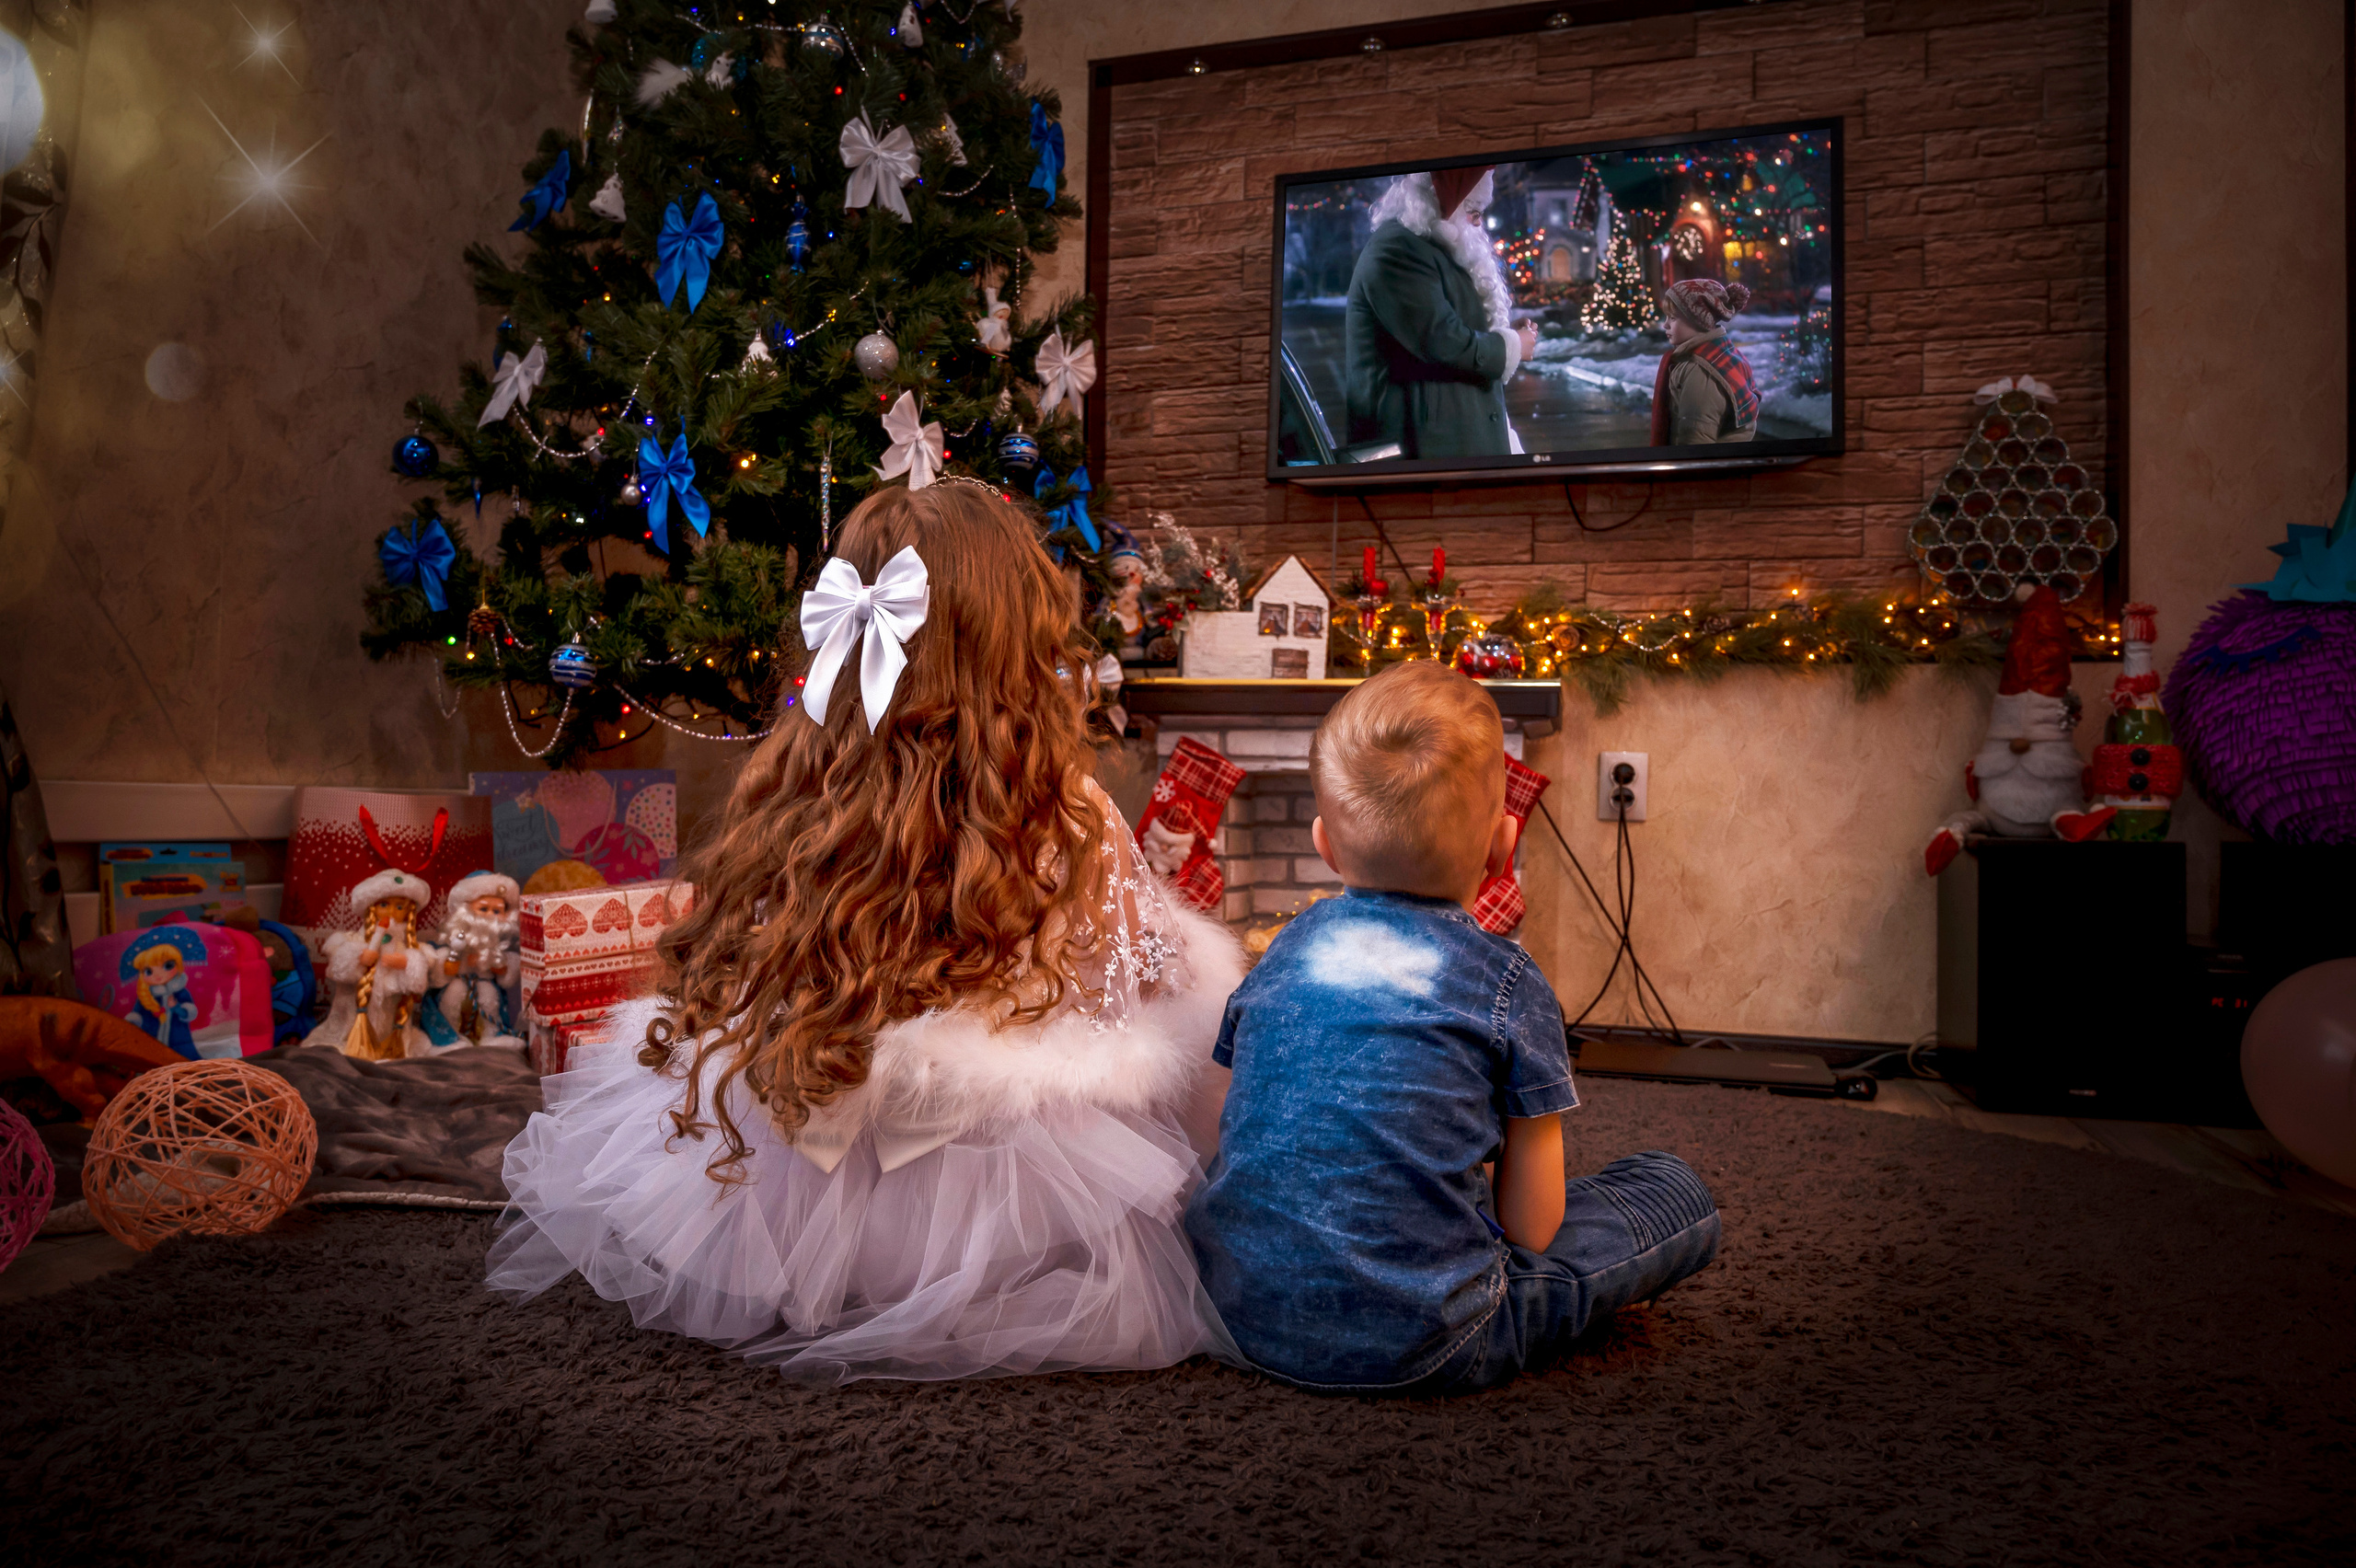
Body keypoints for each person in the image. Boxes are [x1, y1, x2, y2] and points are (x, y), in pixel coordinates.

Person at [487, 479, 1247, 1385]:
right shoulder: (1063, 813)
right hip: (999, 1210)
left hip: (790, 1189)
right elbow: (1143, 982)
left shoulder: (797, 789)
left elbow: (764, 962)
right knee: (1172, 1054)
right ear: (1014, 643)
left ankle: (837, 1268)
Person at [1184, 663, 1720, 1393]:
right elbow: (1532, 1228)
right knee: (1669, 1191)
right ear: (1504, 843)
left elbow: (1229, 1131)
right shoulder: (1507, 979)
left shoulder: (1280, 954)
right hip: (1433, 1339)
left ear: (1324, 842)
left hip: (1236, 1315)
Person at [1345, 166, 1535, 459]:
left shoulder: (1432, 246)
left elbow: (1451, 318)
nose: (1477, 221)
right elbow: (1443, 341)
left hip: (1450, 447)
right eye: (1472, 208)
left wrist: (1506, 332)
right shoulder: (1398, 249)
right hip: (1420, 455)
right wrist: (1512, 346)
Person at [1651, 278, 1760, 445]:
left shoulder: (1700, 372)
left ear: (1697, 319)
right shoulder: (1721, 353)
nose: (1665, 324)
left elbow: (1695, 444)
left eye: (1673, 318)